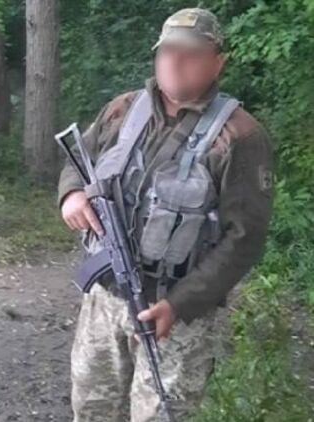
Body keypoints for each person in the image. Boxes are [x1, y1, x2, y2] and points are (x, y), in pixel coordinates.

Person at [58, 8, 273, 422]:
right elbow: (77, 161)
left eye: (191, 53)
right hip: (105, 298)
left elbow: (244, 239)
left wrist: (178, 304)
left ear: (218, 62)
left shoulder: (240, 136)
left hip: (176, 313)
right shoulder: (123, 109)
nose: (176, 61)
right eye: (168, 50)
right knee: (91, 408)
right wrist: (71, 195)